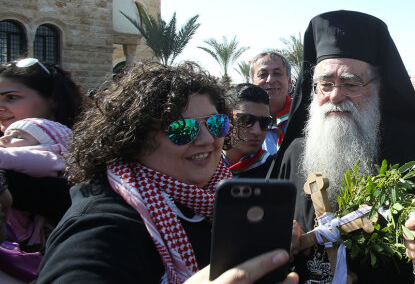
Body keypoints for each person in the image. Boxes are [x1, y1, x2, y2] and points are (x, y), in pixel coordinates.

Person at [267, 10, 415, 283]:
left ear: (378, 87)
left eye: (350, 83)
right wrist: (272, 238)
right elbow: (260, 226)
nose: (335, 95)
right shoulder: (295, 152)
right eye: (325, 84)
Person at [39, 61, 239, 282]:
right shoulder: (105, 225)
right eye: (182, 128)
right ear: (135, 138)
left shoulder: (214, 203)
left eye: (215, 123)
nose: (207, 139)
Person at [0, 58, 84, 280]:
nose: (1, 108)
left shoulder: (87, 154)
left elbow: (59, 198)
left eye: (12, 98)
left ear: (53, 100)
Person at [222, 84, 271, 176]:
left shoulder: (275, 171)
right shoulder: (201, 165)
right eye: (246, 120)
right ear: (227, 119)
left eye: (264, 122)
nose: (257, 131)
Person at [250, 51, 293, 156]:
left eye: (277, 74)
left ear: (289, 82)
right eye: (263, 75)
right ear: (251, 83)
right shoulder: (243, 125)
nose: (270, 80)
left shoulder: (307, 118)